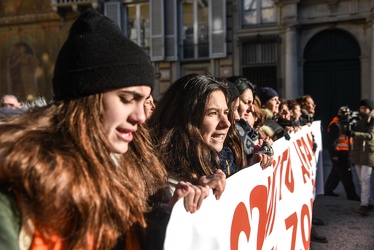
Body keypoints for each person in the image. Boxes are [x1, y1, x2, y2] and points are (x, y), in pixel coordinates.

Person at [0, 9, 209, 250]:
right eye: (126, 99)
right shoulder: (19, 188)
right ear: (86, 100)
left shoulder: (133, 172)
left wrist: (173, 217)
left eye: (144, 101)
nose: (141, 117)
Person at [148, 74, 229, 191]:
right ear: (184, 118)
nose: (227, 123)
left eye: (226, 112)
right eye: (213, 113)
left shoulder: (217, 161)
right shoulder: (161, 179)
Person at [225, 76, 273, 168]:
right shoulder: (224, 135)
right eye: (246, 102)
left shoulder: (247, 132)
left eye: (252, 103)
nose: (251, 109)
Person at [324, 106, 360, 201]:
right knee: (347, 175)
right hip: (339, 153)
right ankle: (351, 194)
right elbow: (332, 141)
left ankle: (328, 190)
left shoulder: (348, 124)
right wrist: (334, 154)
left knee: (335, 174)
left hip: (345, 152)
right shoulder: (335, 125)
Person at [348, 99, 374, 215]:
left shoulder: (372, 121)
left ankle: (364, 205)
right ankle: (369, 201)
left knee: (365, 179)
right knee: (361, 179)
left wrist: (355, 134)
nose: (362, 110)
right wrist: (346, 123)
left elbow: (370, 136)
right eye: (361, 108)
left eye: (365, 108)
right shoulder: (359, 120)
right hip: (358, 153)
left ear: (370, 109)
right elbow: (348, 131)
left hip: (368, 153)